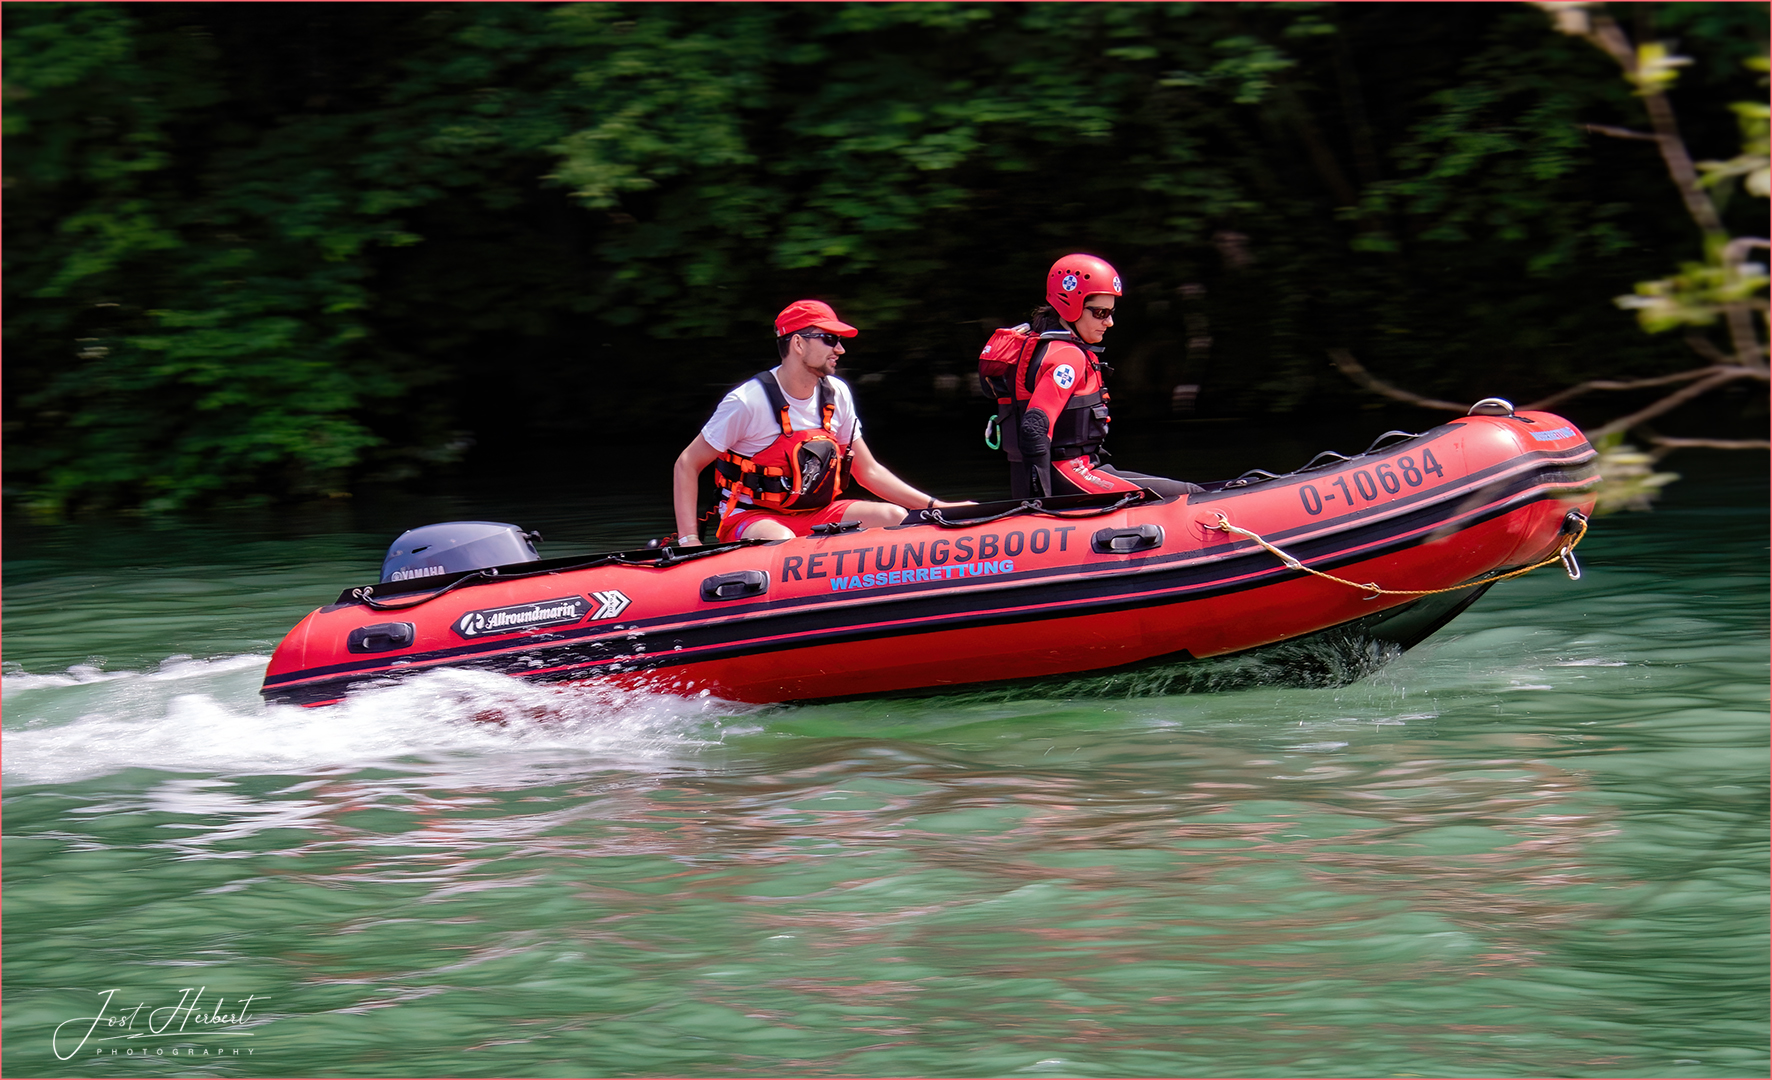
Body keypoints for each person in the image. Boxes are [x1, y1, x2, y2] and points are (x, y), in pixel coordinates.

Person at [673, 299, 965, 546]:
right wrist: (689, 541)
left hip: (817, 513)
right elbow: (687, 463)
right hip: (751, 518)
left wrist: (937, 507)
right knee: (783, 540)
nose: (840, 349)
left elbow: (869, 471)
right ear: (798, 343)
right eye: (829, 339)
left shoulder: (837, 394)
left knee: (894, 517)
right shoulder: (747, 401)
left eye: (838, 341)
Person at [987, 253, 1202, 500]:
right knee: (1191, 495)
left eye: (1111, 312)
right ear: (1071, 307)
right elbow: (1034, 427)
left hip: (1065, 475)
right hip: (1070, 476)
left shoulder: (1041, 346)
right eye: (1100, 312)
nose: (1109, 322)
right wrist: (1039, 505)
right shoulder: (1068, 357)